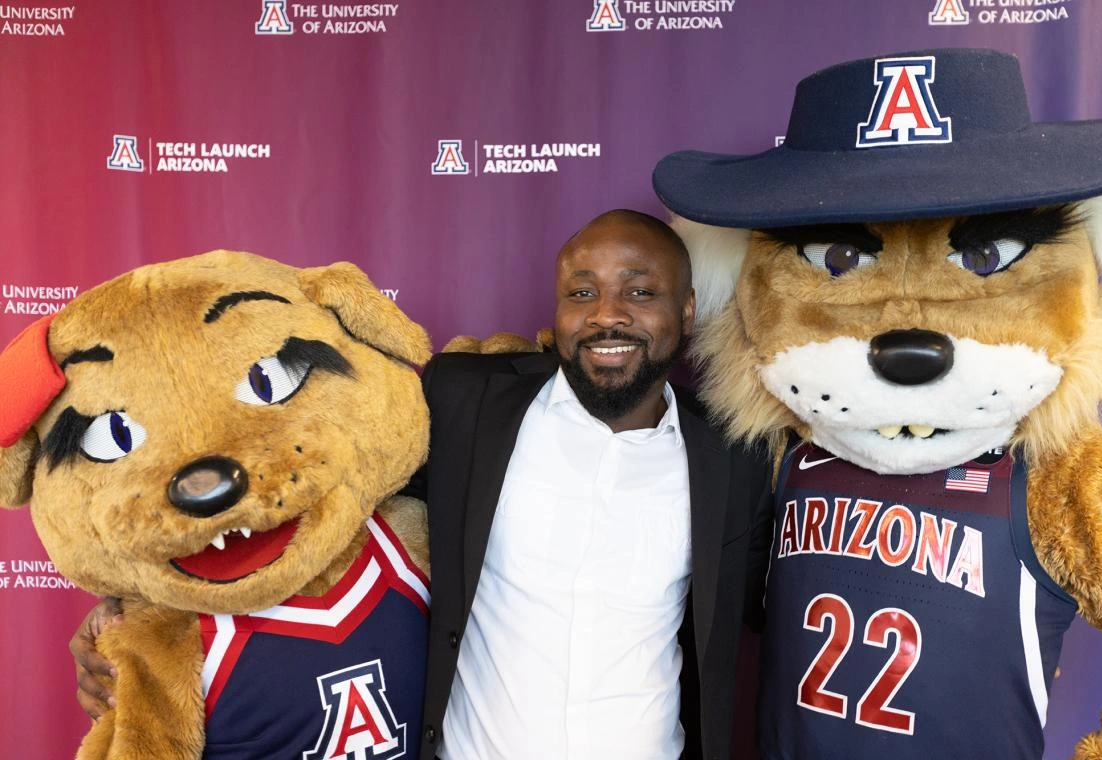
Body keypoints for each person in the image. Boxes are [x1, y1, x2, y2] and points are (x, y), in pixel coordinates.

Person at [72, 209, 774, 759]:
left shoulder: (731, 455)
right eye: (581, 292)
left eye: (640, 292)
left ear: (686, 311)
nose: (606, 315)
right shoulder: (465, 401)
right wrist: (128, 607)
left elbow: (758, 607)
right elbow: (322, 501)